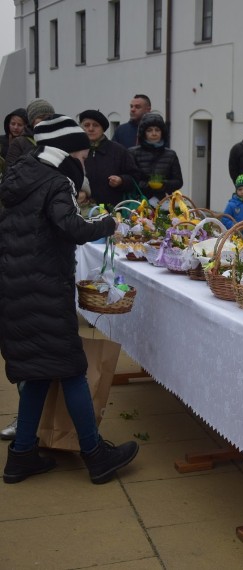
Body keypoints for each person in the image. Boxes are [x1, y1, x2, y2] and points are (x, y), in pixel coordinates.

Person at [0, 114, 139, 484]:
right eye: (79, 154)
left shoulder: (20, 177)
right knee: (72, 368)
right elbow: (71, 227)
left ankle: (22, 455)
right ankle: (96, 455)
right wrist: (109, 223)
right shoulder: (55, 180)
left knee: (39, 372)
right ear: (63, 153)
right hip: (43, 288)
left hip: (17, 286)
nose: (83, 161)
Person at [80, 109, 141, 206]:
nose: (90, 129)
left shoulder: (118, 151)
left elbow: (135, 177)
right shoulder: (75, 151)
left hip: (113, 209)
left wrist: (122, 180)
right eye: (86, 125)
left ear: (102, 129)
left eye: (95, 125)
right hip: (81, 209)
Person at [128, 112, 183, 202]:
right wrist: (148, 185)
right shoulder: (133, 153)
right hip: (139, 200)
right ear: (144, 133)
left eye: (157, 130)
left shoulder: (171, 154)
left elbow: (178, 182)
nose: (154, 133)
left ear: (162, 132)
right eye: (149, 130)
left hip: (164, 201)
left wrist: (163, 184)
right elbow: (130, 180)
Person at [4, 99, 55, 169]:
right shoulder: (19, 143)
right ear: (32, 120)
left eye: (49, 117)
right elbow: (9, 173)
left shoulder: (58, 140)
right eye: (41, 117)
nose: (45, 120)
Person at [0, 108, 28, 178]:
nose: (15, 127)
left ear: (26, 126)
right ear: (8, 124)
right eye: (13, 124)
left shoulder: (28, 143)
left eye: (20, 125)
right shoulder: (1, 141)